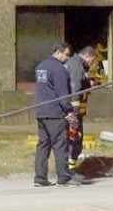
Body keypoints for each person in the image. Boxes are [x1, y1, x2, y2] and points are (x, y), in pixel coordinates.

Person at [33, 43, 83, 187]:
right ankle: (63, 178)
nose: (67, 59)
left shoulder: (40, 67)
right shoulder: (59, 69)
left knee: (43, 145)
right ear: (59, 52)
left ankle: (40, 178)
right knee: (60, 145)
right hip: (55, 113)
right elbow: (62, 94)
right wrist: (69, 111)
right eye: (66, 55)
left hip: (41, 111)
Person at [64, 46, 97, 169]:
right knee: (75, 138)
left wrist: (88, 83)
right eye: (92, 61)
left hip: (71, 110)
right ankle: (70, 167)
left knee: (73, 138)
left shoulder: (75, 64)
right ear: (88, 56)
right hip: (73, 111)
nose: (92, 63)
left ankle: (70, 166)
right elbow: (75, 89)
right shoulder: (77, 67)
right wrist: (75, 112)